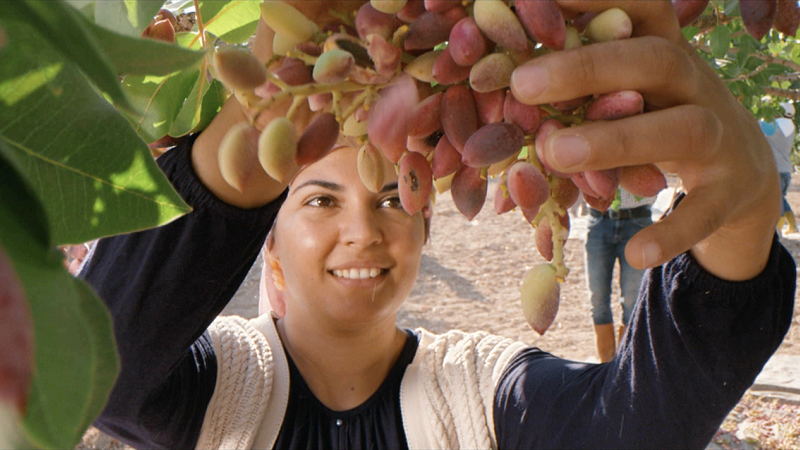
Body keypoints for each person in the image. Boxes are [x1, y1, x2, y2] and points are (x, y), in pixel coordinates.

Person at [79, 2, 796, 449]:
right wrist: (258, 111)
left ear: (426, 230)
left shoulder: (484, 394)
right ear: (266, 245)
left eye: (394, 199)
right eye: (320, 200)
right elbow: (96, 369)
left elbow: (642, 427)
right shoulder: (220, 385)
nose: (362, 229)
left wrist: (737, 228)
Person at [584, 188, 656, 362]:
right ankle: (606, 366)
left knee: (634, 302)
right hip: (598, 220)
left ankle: (625, 367)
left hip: (638, 221)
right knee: (598, 299)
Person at [761, 102, 798, 235]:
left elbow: (754, 126)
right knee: (780, 197)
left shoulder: (773, 125)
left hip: (774, 168)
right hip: (785, 169)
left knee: (777, 199)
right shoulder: (791, 126)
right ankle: (792, 225)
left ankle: (778, 231)